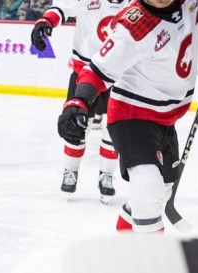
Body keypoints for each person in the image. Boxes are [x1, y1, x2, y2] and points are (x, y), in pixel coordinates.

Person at [58, 0, 198, 233]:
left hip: (165, 119)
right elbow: (96, 70)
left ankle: (126, 247)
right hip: (132, 116)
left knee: (159, 192)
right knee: (148, 189)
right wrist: (78, 102)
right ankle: (150, 266)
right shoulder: (133, 26)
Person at [31, 0, 130, 200]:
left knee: (113, 129)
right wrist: (46, 21)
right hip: (85, 72)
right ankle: (71, 171)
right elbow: (61, 7)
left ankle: (107, 174)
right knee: (74, 124)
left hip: (120, 75)